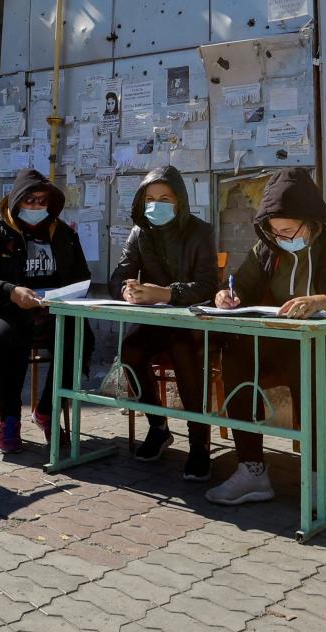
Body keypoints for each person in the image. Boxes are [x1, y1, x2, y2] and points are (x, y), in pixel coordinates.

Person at [205, 168, 326, 506]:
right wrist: (226, 297)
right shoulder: (268, 246)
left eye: (289, 231)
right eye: (275, 232)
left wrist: (322, 301)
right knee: (235, 353)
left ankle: (321, 477)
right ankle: (251, 470)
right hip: (287, 339)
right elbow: (240, 286)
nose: (282, 237)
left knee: (305, 360)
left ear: (311, 220)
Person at [0, 168, 95, 453]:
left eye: (42, 201)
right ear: (17, 200)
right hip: (2, 309)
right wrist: (11, 291)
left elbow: (82, 276)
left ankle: (47, 410)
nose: (36, 206)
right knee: (8, 337)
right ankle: (10, 417)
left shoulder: (64, 235)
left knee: (81, 337)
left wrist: (63, 297)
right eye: (29, 200)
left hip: (50, 310)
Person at [109, 166, 219, 480]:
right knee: (130, 350)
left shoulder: (200, 232)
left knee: (183, 351)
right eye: (150, 199)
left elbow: (209, 284)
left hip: (191, 321)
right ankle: (158, 426)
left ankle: (199, 442)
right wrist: (127, 291)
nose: (156, 205)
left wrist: (168, 293)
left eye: (165, 198)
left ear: (180, 201)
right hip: (154, 320)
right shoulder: (139, 233)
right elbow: (117, 276)